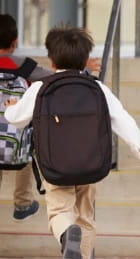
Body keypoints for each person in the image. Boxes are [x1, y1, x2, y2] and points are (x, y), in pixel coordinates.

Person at [4, 26, 140, 259]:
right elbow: (122, 118)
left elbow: (18, 120)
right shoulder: (97, 87)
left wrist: (9, 110)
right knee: (85, 216)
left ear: (51, 60)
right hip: (89, 163)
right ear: (86, 59)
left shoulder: (41, 86)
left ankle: (66, 234)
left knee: (60, 211)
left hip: (55, 164)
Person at [0, 13, 99, 222]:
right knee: (26, 151)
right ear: (15, 41)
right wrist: (84, 70)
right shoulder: (24, 65)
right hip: (16, 131)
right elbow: (57, 76)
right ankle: (23, 202)